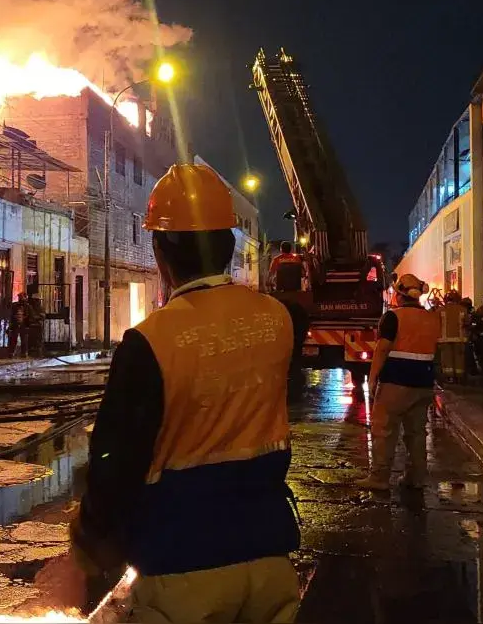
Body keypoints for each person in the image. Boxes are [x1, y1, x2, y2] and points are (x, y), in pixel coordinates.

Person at [63, 163, 302, 623]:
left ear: (159, 252)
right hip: (270, 557)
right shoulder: (279, 320)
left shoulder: (149, 341)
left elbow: (114, 461)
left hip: (183, 568)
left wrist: (89, 543)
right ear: (230, 246)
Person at [357, 273, 441, 491]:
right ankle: (416, 477)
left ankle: (379, 478)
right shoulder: (432, 318)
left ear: (400, 294)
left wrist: (373, 376)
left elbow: (383, 348)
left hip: (395, 383)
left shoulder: (393, 317)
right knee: (416, 433)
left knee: (384, 430)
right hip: (423, 384)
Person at [437, 291, 467, 383]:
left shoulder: (440, 310)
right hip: (460, 338)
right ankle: (459, 377)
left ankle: (449, 377)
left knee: (447, 358)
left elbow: (437, 324)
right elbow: (467, 323)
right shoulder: (463, 309)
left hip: (444, 339)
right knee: (459, 358)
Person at [8, 293, 29, 358]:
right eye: (20, 297)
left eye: (22, 297)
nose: (21, 298)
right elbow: (11, 314)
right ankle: (11, 353)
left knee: (24, 339)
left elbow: (28, 314)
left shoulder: (27, 306)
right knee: (14, 338)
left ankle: (24, 353)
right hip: (16, 324)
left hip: (23, 324)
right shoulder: (15, 305)